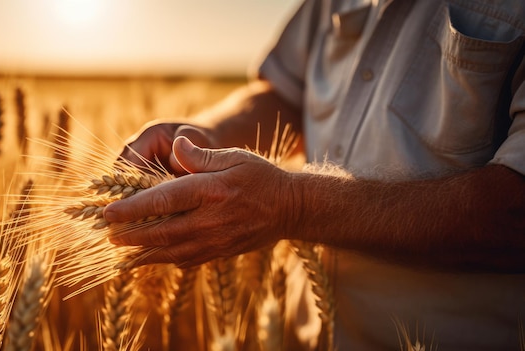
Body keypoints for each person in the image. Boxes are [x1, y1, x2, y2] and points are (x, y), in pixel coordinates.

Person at [103, 0, 525, 349]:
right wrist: (204, 136)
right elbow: (286, 93)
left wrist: (293, 205)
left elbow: (515, 210)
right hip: (302, 335)